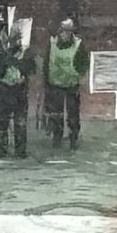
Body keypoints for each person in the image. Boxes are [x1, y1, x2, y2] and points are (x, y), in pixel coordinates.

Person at [44, 19, 86, 150]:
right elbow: (46, 62)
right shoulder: (51, 43)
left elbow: (84, 62)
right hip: (54, 84)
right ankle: (57, 138)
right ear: (59, 31)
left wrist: (80, 75)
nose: (65, 35)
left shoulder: (78, 44)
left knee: (73, 115)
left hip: (71, 84)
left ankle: (74, 139)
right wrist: (45, 81)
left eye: (68, 32)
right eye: (63, 32)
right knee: (56, 114)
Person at [0, 29, 36, 159]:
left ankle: (17, 151)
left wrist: (21, 69)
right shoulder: (1, 54)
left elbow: (31, 69)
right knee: (4, 122)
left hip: (17, 92)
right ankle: (5, 151)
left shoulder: (25, 55)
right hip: (6, 92)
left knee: (18, 123)